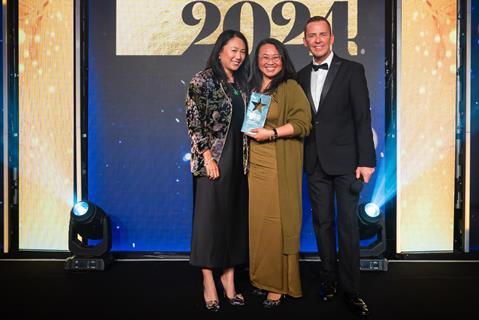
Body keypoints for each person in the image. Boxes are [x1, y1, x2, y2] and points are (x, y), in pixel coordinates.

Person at [297, 16, 376, 317]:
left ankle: (352, 290)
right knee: (322, 224)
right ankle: (329, 280)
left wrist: (366, 160)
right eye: (311, 36)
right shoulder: (301, 75)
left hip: (347, 163)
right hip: (315, 162)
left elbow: (362, 118)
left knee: (347, 227)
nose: (317, 40)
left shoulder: (352, 70)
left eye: (322, 35)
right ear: (305, 42)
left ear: (331, 38)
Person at [185, 29, 250, 312]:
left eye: (242, 52)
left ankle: (229, 277)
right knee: (209, 221)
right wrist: (208, 157)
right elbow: (193, 120)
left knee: (235, 220)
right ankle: (208, 280)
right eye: (233, 50)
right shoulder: (203, 79)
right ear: (221, 50)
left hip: (240, 161)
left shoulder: (244, 83)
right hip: (213, 161)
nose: (238, 56)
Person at [245, 38, 311, 309]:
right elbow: (250, 124)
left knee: (276, 224)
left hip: (277, 163)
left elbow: (303, 124)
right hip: (255, 166)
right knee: (259, 226)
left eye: (275, 56)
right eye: (264, 56)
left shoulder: (290, 86)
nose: (270, 61)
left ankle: (279, 285)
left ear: (283, 60)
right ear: (257, 60)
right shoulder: (255, 87)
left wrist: (271, 133)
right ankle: (262, 278)